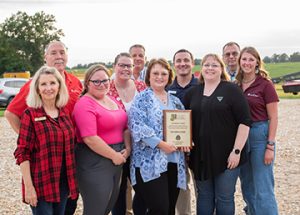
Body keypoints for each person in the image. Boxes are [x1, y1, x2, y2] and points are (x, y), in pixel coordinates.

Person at [5, 40, 82, 215]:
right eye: (53, 53)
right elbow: (10, 115)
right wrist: (37, 138)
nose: (59, 56)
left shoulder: (75, 86)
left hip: (66, 169)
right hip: (43, 172)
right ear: (45, 57)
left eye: (62, 52)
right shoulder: (31, 110)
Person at [184, 54, 251, 215]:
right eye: (206, 65)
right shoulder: (193, 93)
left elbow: (245, 122)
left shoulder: (232, 90)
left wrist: (237, 151)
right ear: (201, 70)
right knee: (204, 196)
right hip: (200, 156)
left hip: (227, 157)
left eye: (214, 65)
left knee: (225, 197)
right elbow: (184, 123)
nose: (210, 68)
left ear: (221, 69)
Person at [128, 58, 189, 215]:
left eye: (164, 73)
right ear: (148, 76)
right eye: (155, 73)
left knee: (169, 209)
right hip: (150, 162)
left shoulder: (175, 101)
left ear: (169, 76)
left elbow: (183, 127)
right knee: (159, 208)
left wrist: (186, 141)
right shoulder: (141, 99)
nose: (159, 77)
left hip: (174, 160)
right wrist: (161, 144)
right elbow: (137, 126)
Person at [73, 64, 131, 215]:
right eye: (96, 81)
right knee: (95, 210)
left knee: (107, 207)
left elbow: (124, 126)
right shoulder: (84, 104)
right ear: (87, 83)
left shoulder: (112, 100)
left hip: (117, 159)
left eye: (105, 80)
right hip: (95, 161)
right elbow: (90, 138)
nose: (102, 84)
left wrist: (128, 148)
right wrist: (114, 155)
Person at [236, 47, 279, 215]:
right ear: (240, 62)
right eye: (244, 59)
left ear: (257, 63)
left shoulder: (265, 85)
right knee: (247, 184)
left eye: (251, 59)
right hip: (241, 135)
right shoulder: (236, 85)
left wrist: (270, 145)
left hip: (259, 134)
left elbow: (273, 118)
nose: (247, 63)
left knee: (263, 186)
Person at [109, 53, 147, 215]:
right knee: (118, 189)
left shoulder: (141, 87)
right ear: (114, 67)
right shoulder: (106, 88)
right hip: (117, 146)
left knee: (143, 187)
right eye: (122, 65)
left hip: (141, 145)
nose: (125, 69)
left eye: (129, 66)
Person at [167, 49, 198, 215]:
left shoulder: (202, 86)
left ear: (192, 63)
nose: (182, 64)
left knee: (203, 188)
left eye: (186, 60)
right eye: (178, 61)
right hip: (177, 147)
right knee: (182, 186)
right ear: (174, 65)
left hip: (200, 146)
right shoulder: (167, 88)